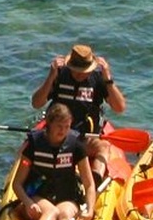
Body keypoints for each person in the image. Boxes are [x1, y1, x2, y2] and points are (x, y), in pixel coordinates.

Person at [31, 44, 127, 186]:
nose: (79, 74)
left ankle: (95, 178)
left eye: (84, 71)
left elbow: (119, 108)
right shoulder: (60, 75)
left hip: (85, 138)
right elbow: (36, 103)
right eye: (76, 70)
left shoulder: (98, 79)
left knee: (104, 147)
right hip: (58, 136)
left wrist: (108, 80)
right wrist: (51, 78)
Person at [11, 103, 96, 220]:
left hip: (66, 195)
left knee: (65, 215)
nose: (63, 131)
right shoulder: (33, 146)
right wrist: (27, 202)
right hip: (39, 194)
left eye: (67, 126)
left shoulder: (76, 146)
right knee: (51, 211)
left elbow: (89, 184)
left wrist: (90, 209)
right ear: (49, 124)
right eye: (59, 126)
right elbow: (17, 183)